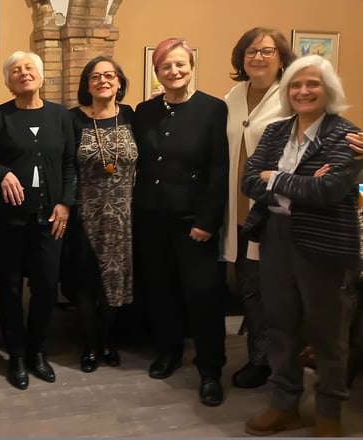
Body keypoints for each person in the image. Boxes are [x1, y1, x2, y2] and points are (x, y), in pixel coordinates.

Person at [242, 55, 361, 438]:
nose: (303, 91)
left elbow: (328, 190)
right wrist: (297, 181)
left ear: (329, 91)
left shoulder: (347, 136)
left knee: (328, 332)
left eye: (312, 84)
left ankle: (329, 412)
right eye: (296, 85)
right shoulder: (276, 132)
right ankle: (284, 405)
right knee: (280, 327)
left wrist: (275, 177)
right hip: (276, 237)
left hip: (324, 243)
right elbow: (249, 181)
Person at [132, 38, 229, 406]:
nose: (174, 71)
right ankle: (169, 352)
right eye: (165, 67)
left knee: (203, 296)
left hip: (194, 220)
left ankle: (210, 369)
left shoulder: (212, 108)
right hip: (152, 217)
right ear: (157, 72)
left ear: (191, 67)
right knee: (161, 290)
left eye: (180, 65)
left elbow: (219, 169)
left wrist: (207, 220)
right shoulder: (145, 110)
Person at [0, 50, 77, 390]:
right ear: (7, 81)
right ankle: (16, 355)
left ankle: (38, 351)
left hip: (50, 218)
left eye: (29, 67)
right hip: (6, 219)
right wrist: (0, 171)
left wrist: (65, 203)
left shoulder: (61, 117)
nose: (23, 73)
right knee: (9, 287)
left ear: (41, 75)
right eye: (15, 70)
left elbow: (69, 165)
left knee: (47, 287)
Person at [222, 28, 297, 389]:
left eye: (267, 51)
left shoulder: (293, 94)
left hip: (279, 211)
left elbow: (325, 128)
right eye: (250, 51)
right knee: (250, 288)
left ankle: (286, 365)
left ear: (282, 57)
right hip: (238, 209)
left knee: (280, 291)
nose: (258, 57)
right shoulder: (234, 96)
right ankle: (260, 358)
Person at [66, 56, 137, 373]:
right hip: (85, 214)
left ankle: (108, 341)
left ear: (120, 82)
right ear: (87, 84)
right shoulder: (73, 120)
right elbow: (65, 166)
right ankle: (89, 347)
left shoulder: (132, 116)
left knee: (115, 282)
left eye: (110, 75)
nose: (103, 81)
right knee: (86, 284)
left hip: (124, 215)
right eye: (95, 76)